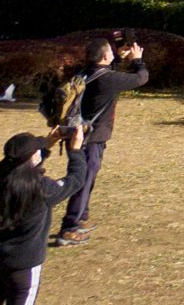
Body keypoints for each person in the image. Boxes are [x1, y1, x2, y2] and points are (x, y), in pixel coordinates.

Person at [0, 125, 87, 305]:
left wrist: (46, 146)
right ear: (33, 157)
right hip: (24, 268)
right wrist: (76, 150)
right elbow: (76, 180)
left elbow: (18, 169)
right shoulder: (42, 189)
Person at [56, 33, 149, 245]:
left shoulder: (85, 73)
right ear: (105, 56)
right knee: (84, 178)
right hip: (91, 137)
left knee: (85, 176)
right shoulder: (107, 79)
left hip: (76, 134)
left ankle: (80, 217)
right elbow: (141, 78)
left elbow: (106, 69)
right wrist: (137, 60)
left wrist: (118, 57)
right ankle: (69, 227)